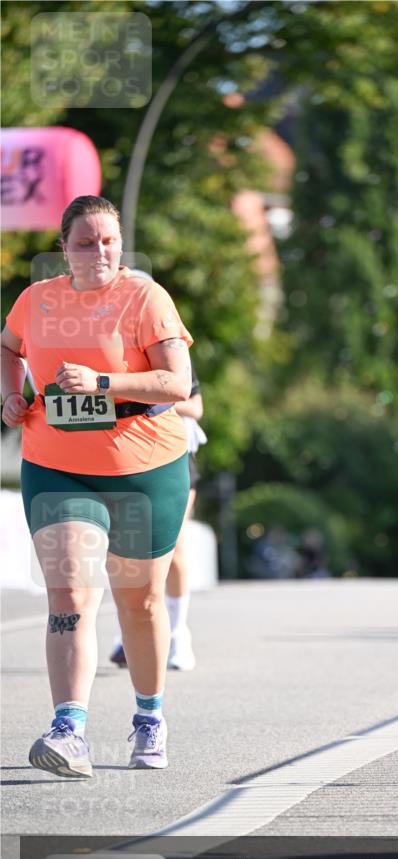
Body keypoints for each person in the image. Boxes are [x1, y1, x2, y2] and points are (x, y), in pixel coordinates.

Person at [1, 195, 193, 778]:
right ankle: (69, 728)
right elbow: (8, 348)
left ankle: (150, 717)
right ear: (64, 249)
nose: (100, 251)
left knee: (141, 602)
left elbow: (177, 383)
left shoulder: (144, 297)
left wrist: (103, 381)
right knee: (71, 596)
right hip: (58, 466)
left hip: (143, 469)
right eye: (85, 242)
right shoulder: (37, 301)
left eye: (109, 240)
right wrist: (11, 395)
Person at [110, 358, 205, 670]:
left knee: (173, 546)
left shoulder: (169, 351)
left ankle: (178, 633)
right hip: (128, 457)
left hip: (174, 459)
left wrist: (146, 400)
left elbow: (195, 407)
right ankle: (134, 630)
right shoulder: (111, 354)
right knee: (129, 550)